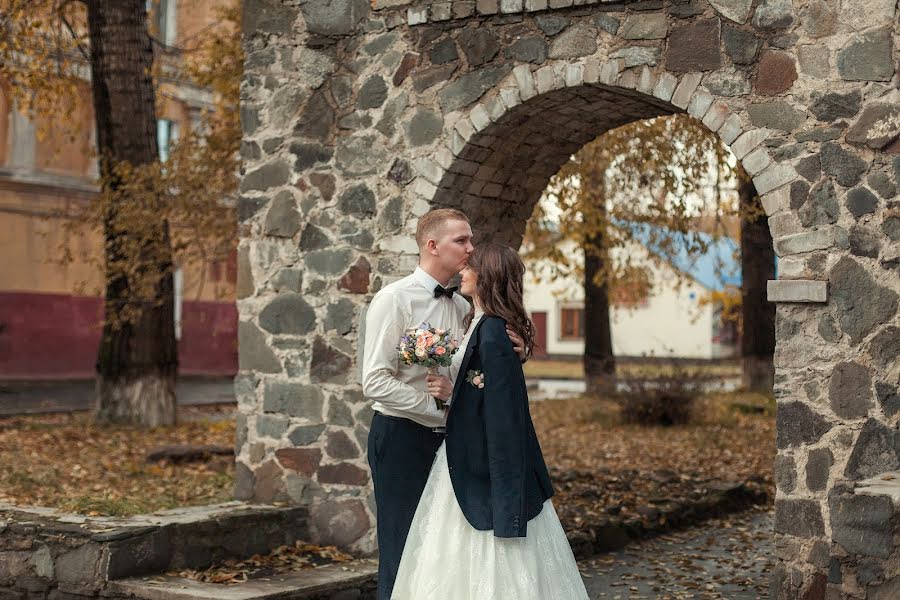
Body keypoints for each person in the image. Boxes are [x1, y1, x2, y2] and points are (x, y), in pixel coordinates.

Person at [390, 242, 589, 600]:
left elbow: (504, 418)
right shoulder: (478, 324)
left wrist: (506, 497)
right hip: (462, 459)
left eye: (471, 265)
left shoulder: (494, 332)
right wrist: (454, 391)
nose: (463, 269)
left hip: (482, 467)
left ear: (486, 275)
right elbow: (482, 390)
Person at [362, 210, 526, 600]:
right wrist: (438, 408)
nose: (471, 249)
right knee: (402, 549)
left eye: (471, 241)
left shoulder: (464, 306)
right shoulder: (394, 300)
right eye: (462, 241)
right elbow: (374, 381)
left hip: (454, 443)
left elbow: (475, 372)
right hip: (402, 438)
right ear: (432, 246)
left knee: (442, 553)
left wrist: (514, 353)